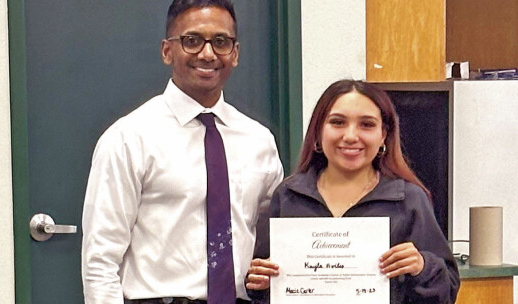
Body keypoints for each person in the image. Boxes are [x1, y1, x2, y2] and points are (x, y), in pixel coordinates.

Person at [81, 1, 283, 303]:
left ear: (235, 53)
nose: (207, 53)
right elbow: (101, 260)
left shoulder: (259, 141)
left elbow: (277, 240)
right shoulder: (129, 138)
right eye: (192, 41)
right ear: (167, 51)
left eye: (221, 42)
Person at [246, 80, 460, 303]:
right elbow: (259, 286)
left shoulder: (409, 200)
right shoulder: (287, 196)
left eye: (366, 125)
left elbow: (447, 293)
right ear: (318, 131)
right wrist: (261, 283)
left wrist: (422, 267)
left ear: (383, 135)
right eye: (338, 122)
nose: (350, 136)